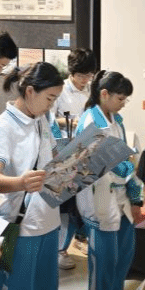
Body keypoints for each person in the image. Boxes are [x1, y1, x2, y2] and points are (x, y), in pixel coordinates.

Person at [0, 62, 64, 290]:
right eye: (49, 98)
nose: (51, 105)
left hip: (49, 221)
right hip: (18, 227)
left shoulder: (41, 119)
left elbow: (52, 160)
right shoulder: (4, 126)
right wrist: (20, 182)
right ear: (30, 91)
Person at [75, 70, 143, 290]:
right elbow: (96, 162)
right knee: (104, 259)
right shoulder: (89, 121)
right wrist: (123, 164)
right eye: (120, 98)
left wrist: (135, 194)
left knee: (124, 252)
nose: (123, 103)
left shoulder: (116, 119)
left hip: (120, 192)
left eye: (126, 99)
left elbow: (124, 158)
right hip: (98, 196)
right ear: (104, 94)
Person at [51, 47, 97, 270]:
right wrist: (72, 122)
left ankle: (79, 240)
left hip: (87, 152)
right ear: (72, 72)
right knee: (66, 206)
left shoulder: (92, 91)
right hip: (65, 153)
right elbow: (48, 119)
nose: (85, 80)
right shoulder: (60, 90)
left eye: (89, 75)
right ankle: (60, 250)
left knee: (83, 204)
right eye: (81, 76)